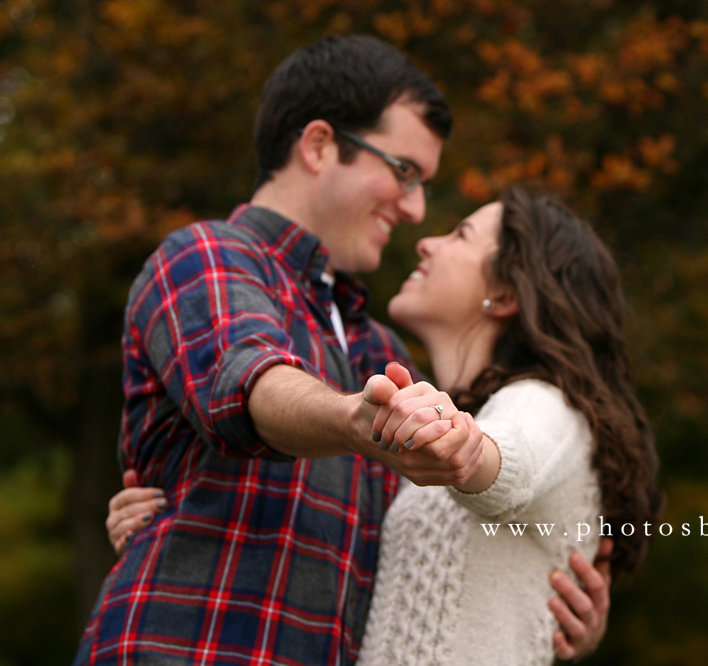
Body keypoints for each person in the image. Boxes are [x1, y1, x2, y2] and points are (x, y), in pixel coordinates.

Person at [74, 35, 608, 666]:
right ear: (320, 145)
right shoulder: (208, 258)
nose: (415, 210)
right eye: (404, 172)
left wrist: (538, 595)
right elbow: (253, 385)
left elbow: (416, 544)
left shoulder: (378, 347)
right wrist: (355, 422)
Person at [108, 186, 664, 665]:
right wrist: (170, 518)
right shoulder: (413, 405)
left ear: (508, 293)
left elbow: (508, 462)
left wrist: (465, 450)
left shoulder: (544, 407)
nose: (427, 240)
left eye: (461, 235)